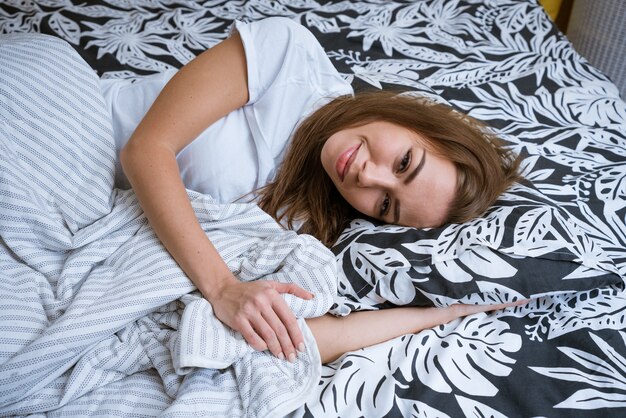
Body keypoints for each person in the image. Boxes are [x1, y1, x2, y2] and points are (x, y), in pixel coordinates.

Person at [107, 17, 522, 364]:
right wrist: (221, 288)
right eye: (403, 163)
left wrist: (450, 311)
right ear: (416, 122)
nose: (368, 177)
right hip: (75, 126)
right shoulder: (290, 56)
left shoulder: (310, 220)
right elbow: (145, 150)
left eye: (385, 204)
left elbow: (304, 337)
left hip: (94, 212)